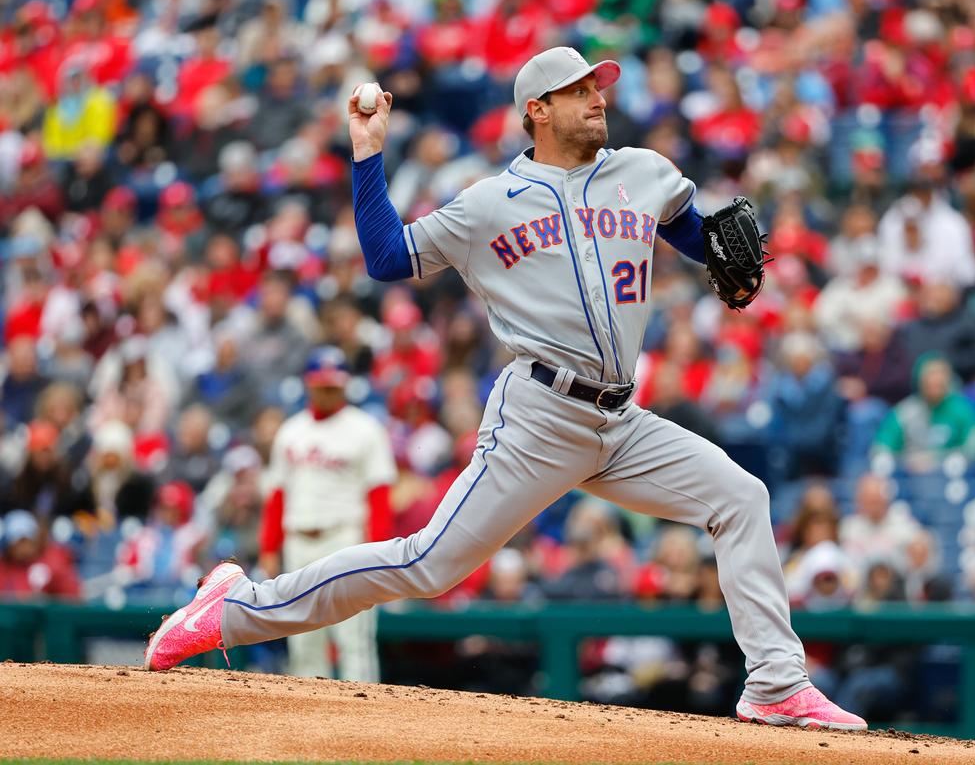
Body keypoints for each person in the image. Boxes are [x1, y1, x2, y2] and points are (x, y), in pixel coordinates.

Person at [145, 46, 865, 730]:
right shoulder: (491, 203)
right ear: (537, 110)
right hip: (540, 417)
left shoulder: (643, 171)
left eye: (598, 87)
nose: (597, 98)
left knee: (741, 497)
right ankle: (232, 608)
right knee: (428, 565)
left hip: (622, 421)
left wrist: (713, 256)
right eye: (579, 91)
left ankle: (776, 685)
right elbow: (388, 258)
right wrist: (369, 153)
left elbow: (684, 222)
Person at [256, 347, 398, 681]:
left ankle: (364, 718)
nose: (328, 391)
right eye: (322, 385)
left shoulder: (365, 429)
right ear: (308, 384)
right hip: (298, 540)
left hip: (345, 539)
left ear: (346, 385)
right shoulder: (291, 430)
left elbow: (379, 497)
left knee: (353, 639)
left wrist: (379, 552)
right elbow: (277, 495)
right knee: (303, 642)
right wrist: (268, 548)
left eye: (334, 385)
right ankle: (309, 724)